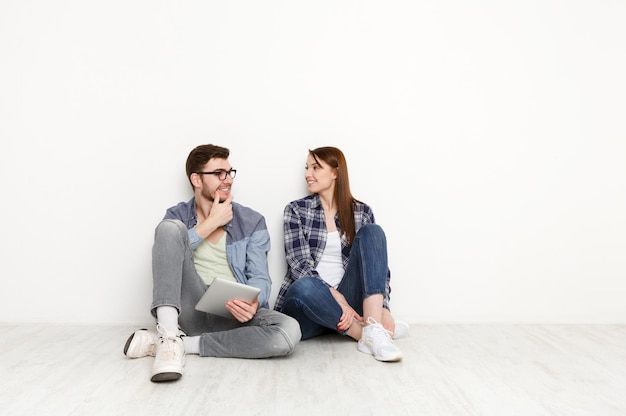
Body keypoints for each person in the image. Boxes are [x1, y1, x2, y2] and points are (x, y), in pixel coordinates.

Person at [124, 144, 301, 382]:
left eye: (229, 173)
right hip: (189, 308)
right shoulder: (176, 216)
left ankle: (180, 345)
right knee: (168, 230)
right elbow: (168, 253)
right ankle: (169, 335)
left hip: (233, 313)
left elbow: (260, 275)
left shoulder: (252, 221)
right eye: (218, 174)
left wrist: (255, 300)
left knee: (289, 331)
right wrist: (210, 224)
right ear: (196, 179)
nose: (227, 179)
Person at [274, 146, 408, 362]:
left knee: (373, 232)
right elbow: (298, 264)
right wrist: (335, 297)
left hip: (350, 308)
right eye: (307, 168)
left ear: (335, 172)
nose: (308, 174)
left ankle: (373, 326)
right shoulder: (296, 210)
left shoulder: (362, 212)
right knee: (304, 285)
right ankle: (365, 334)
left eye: (316, 168)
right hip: (309, 310)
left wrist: (384, 308)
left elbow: (378, 268)